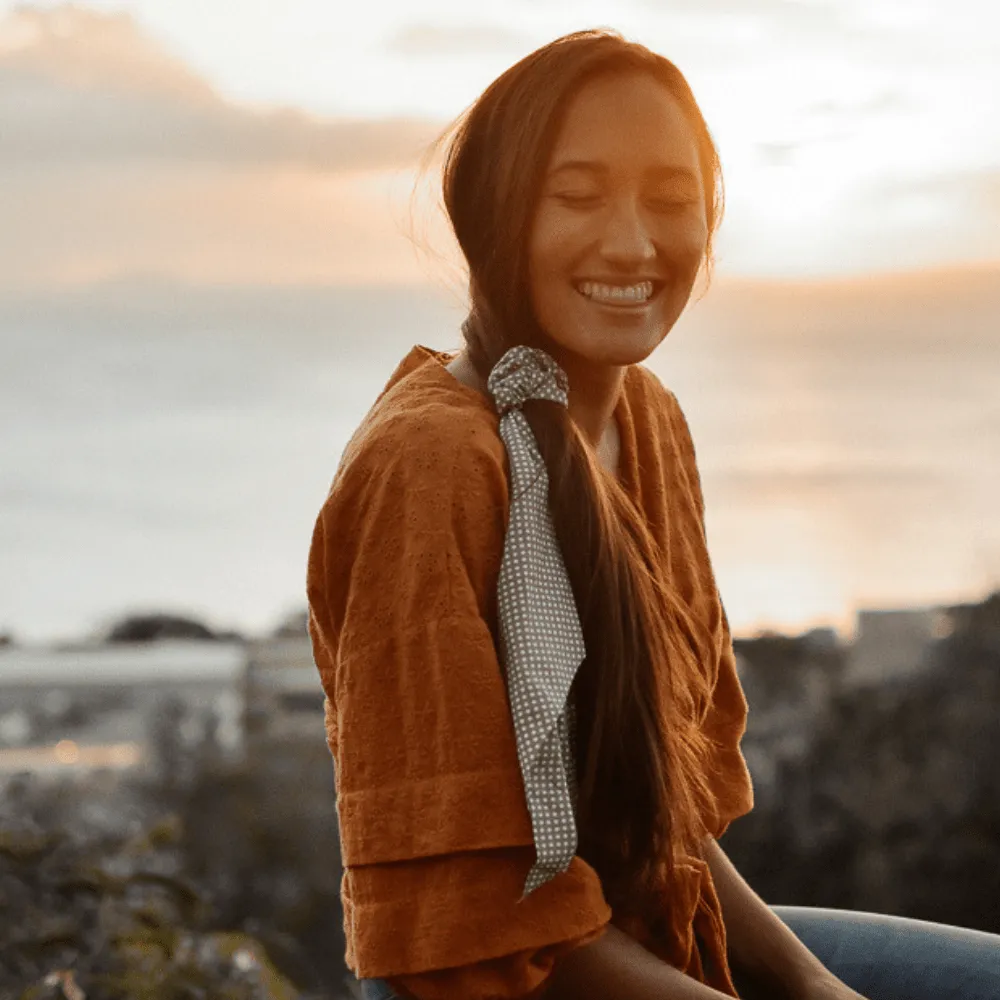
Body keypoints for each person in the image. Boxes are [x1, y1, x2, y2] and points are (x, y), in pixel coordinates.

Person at [306, 29, 1000, 1000]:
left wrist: (805, 983)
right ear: (493, 215)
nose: (632, 242)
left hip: (653, 934)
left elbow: (665, 828)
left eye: (670, 200)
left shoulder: (646, 420)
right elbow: (469, 926)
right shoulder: (431, 462)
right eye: (578, 196)